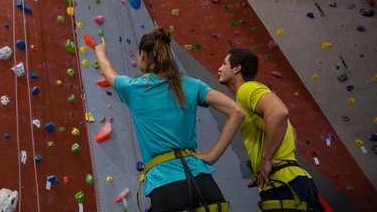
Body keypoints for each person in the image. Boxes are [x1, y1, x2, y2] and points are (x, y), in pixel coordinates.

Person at [95, 28, 245, 212]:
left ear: (143, 55)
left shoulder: (134, 88)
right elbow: (237, 111)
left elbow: (107, 70)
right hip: (202, 181)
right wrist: (212, 156)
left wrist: (100, 52)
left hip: (166, 187)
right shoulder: (191, 85)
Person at [211, 47, 322, 211]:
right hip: (296, 180)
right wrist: (268, 164)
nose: (219, 68)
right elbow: (291, 132)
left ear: (237, 68)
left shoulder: (246, 89)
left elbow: (279, 112)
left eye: (224, 63)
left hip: (283, 184)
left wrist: (267, 160)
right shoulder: (254, 98)